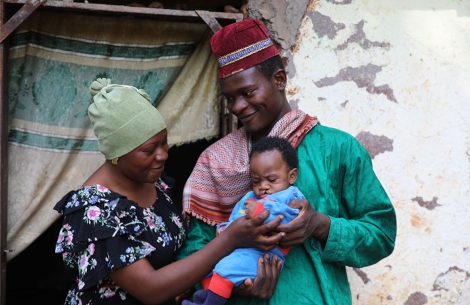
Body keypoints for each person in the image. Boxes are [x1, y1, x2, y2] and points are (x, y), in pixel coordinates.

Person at [178, 18, 397, 305]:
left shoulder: (337, 149)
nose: (237, 107)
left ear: (279, 79)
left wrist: (320, 225)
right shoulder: (215, 161)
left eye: (247, 93)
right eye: (229, 98)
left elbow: (381, 233)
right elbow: (194, 250)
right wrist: (237, 283)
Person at [53, 78, 286, 305]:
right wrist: (230, 239)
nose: (163, 154)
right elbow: (150, 290)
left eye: (163, 142)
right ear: (116, 153)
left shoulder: (151, 181)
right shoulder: (94, 210)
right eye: (149, 150)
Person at [184, 137, 306, 305]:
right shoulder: (250, 197)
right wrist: (224, 228)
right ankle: (203, 298)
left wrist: (258, 211)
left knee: (226, 271)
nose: (263, 186)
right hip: (241, 250)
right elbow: (235, 218)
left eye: (271, 180)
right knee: (209, 268)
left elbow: (290, 218)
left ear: (291, 176)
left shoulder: (291, 195)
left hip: (265, 256)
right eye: (256, 180)